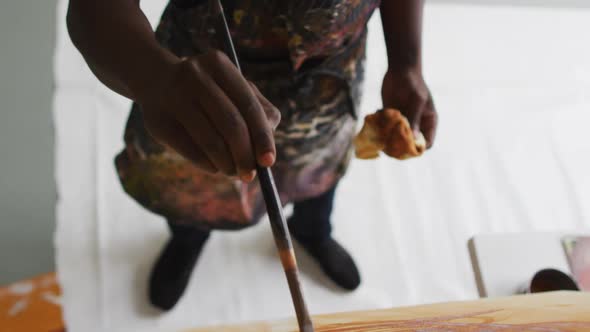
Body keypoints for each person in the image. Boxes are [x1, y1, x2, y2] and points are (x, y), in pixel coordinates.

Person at [66, 0, 438, 311]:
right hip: (202, 89)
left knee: (319, 172)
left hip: (330, 78)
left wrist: (407, 62)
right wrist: (153, 76)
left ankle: (313, 231)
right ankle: (189, 238)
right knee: (194, 188)